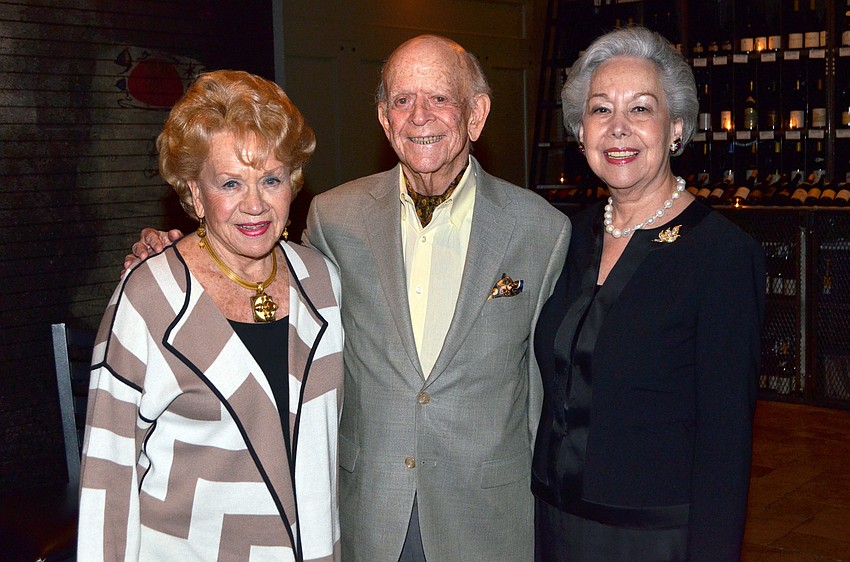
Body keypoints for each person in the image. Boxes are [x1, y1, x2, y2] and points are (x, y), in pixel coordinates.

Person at [129, 35, 571, 561]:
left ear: (476, 115)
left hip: (487, 520)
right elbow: (264, 280)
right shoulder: (336, 220)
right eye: (402, 100)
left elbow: (545, 394)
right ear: (384, 120)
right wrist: (188, 252)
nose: (420, 116)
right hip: (367, 515)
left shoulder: (541, 230)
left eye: (440, 98)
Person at [79, 70, 344, 561]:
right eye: (230, 183)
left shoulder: (322, 282)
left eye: (271, 179)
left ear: (293, 183)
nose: (255, 205)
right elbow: (107, 476)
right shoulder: (149, 298)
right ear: (196, 194)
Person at [531, 27, 765, 562]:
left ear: (676, 127)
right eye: (599, 110)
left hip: (654, 539)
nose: (618, 129)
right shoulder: (567, 237)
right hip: (554, 524)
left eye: (640, 109)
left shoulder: (722, 255)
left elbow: (726, 444)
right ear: (580, 130)